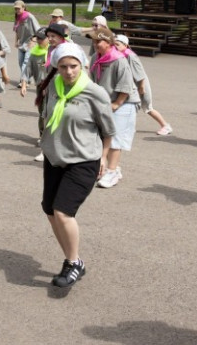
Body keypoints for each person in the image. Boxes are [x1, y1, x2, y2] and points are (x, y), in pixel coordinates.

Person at [39, 42, 114, 288]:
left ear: (82, 65)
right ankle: (72, 259)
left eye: (73, 66)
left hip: (83, 160)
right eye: (63, 67)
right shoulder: (54, 86)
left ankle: (73, 263)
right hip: (55, 158)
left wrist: (103, 157)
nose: (69, 72)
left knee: (63, 211)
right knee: (50, 212)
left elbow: (108, 130)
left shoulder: (94, 92)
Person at [88, 27, 138, 188]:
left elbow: (126, 86)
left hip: (124, 101)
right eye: (94, 41)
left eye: (98, 41)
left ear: (109, 42)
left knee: (114, 138)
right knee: (103, 136)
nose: (95, 44)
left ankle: (112, 172)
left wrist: (116, 104)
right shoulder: (97, 57)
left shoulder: (119, 60)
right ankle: (111, 167)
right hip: (106, 102)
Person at [114, 34, 172, 136]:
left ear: (126, 45)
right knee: (129, 106)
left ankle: (165, 126)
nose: (115, 47)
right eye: (113, 45)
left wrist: (141, 88)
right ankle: (129, 127)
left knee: (148, 108)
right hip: (132, 86)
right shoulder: (121, 55)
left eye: (117, 45)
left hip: (141, 86)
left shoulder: (130, 56)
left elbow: (140, 75)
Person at [20, 28, 53, 162]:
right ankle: (43, 139)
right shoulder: (34, 53)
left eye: (41, 38)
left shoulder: (54, 52)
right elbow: (27, 69)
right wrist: (23, 84)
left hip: (55, 89)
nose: (39, 41)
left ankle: (47, 147)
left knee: (50, 115)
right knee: (42, 115)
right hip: (41, 88)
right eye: (37, 38)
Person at [12, 0, 39, 73]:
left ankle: (23, 81)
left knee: (26, 62)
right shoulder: (17, 17)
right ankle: (27, 79)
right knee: (20, 62)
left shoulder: (30, 17)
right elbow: (17, 31)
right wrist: (16, 41)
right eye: (15, 9)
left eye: (18, 8)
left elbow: (38, 31)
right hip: (21, 43)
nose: (17, 10)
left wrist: (33, 41)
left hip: (30, 43)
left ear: (23, 7)